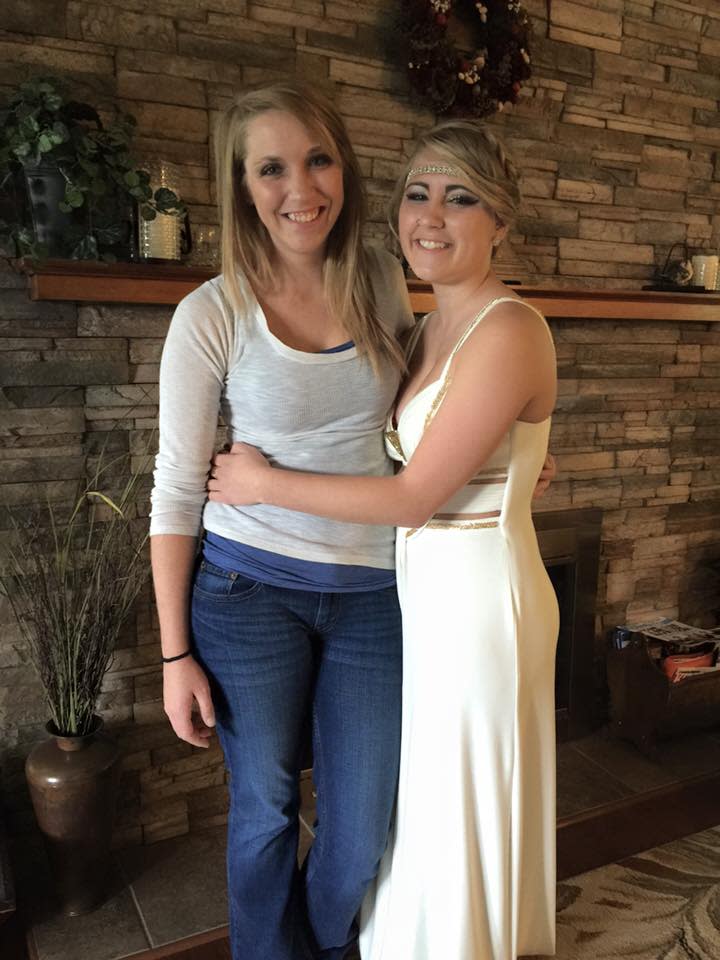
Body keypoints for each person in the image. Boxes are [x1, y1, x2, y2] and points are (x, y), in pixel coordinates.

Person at [208, 119, 560, 960]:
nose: (431, 217)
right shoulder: (428, 323)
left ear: (501, 222)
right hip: (421, 596)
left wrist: (260, 484)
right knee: (423, 804)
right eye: (417, 194)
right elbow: (417, 445)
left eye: (461, 198)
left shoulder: (507, 327)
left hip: (480, 604)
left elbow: (410, 495)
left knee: (458, 799)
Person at [150, 81, 415, 960]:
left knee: (359, 830)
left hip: (375, 593)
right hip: (244, 589)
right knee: (263, 807)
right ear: (240, 186)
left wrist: (515, 445)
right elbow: (177, 489)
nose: (300, 188)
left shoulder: (382, 279)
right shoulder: (210, 314)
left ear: (344, 168)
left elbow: (418, 421)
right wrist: (174, 654)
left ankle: (321, 942)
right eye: (271, 168)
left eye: (318, 159)